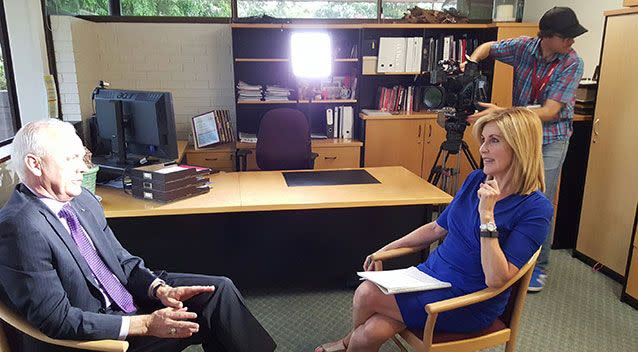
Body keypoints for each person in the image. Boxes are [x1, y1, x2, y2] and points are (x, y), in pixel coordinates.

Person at [0, 119, 276, 352]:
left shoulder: (81, 199)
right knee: (212, 319)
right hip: (96, 333)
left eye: (81, 156)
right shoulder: (20, 228)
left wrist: (159, 289)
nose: (83, 168)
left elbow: (122, 262)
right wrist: (143, 324)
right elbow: (56, 320)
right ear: (35, 165)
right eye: (71, 158)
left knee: (219, 292)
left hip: (125, 300)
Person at [315, 107, 553, 352]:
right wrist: (385, 249)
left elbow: (496, 279)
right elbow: (436, 228)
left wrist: (487, 215)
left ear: (520, 147)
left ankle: (344, 344)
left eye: (494, 141)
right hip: (430, 276)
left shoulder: (535, 208)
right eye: (483, 140)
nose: (483, 149)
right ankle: (350, 343)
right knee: (370, 333)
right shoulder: (475, 180)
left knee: (366, 293)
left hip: (468, 301)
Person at [464, 6, 586, 291]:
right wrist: (472, 62)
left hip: (551, 137)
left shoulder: (571, 62)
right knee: (503, 189)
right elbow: (489, 47)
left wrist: (501, 112)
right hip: (518, 136)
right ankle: (502, 254)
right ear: (548, 36)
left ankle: (537, 266)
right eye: (566, 36)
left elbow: (550, 111)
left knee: (538, 199)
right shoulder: (522, 48)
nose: (571, 42)